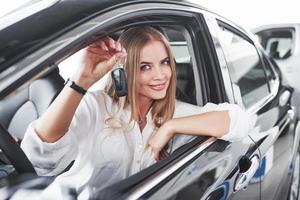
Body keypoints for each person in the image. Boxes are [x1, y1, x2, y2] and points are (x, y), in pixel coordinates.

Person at [20, 26, 255, 197]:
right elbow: (39, 158)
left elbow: (240, 122)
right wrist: (80, 81)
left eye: (165, 62)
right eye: (145, 67)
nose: (160, 75)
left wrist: (170, 127)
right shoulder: (97, 105)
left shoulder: (174, 113)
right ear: (125, 70)